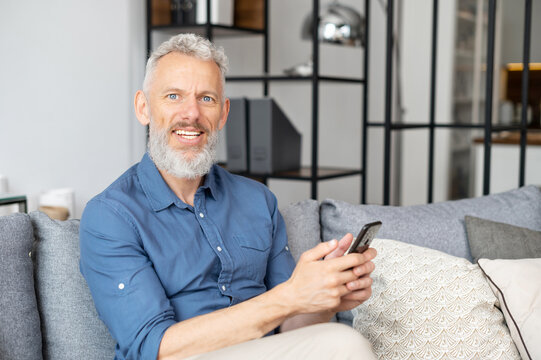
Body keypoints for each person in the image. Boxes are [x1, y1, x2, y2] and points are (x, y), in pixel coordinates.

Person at [80, 33, 377, 360]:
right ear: (143, 107)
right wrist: (290, 297)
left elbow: (292, 329)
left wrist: (324, 299)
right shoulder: (110, 216)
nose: (191, 113)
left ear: (223, 113)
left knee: (337, 336)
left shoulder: (258, 200)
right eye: (174, 96)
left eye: (206, 98)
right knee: (343, 343)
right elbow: (154, 347)